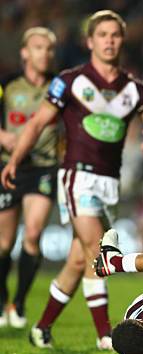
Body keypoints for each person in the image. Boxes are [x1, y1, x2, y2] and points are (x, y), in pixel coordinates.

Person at [0, 10, 143, 349]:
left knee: (78, 260)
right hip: (76, 176)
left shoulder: (134, 89)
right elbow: (36, 125)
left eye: (115, 35)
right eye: (103, 35)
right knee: (99, 251)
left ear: (122, 41)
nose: (109, 40)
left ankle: (42, 327)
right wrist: (15, 161)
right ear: (90, 41)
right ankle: (105, 335)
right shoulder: (69, 81)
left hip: (109, 181)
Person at [0, 27, 59, 328]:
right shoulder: (7, 85)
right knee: (3, 243)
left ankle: (19, 303)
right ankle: (2, 298)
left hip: (44, 169)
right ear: (25, 52)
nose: (44, 54)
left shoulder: (59, 87)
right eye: (38, 47)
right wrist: (3, 137)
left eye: (48, 49)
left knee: (33, 233)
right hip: (9, 167)